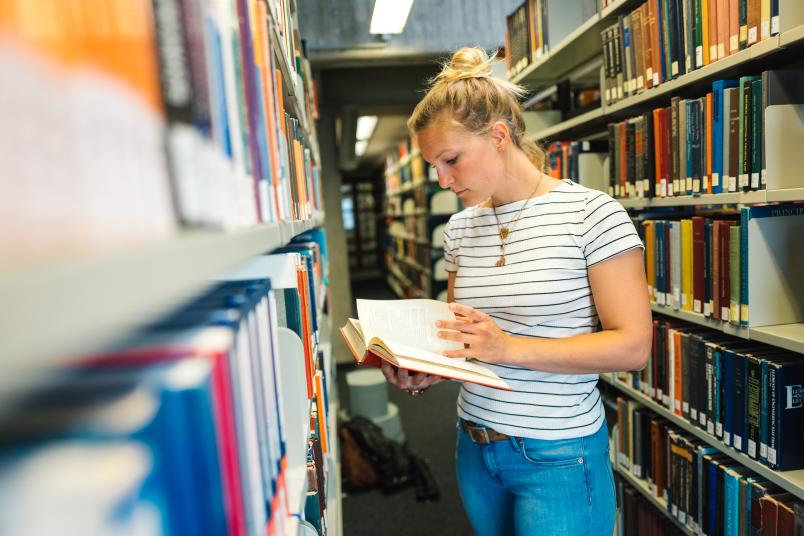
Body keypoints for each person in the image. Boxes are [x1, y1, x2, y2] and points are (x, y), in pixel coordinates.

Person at [380, 47, 652, 536]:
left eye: (451, 159)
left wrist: (507, 347)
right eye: (433, 166)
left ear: (499, 136)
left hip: (558, 452)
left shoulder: (592, 214)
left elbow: (632, 346)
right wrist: (429, 369)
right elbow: (465, 339)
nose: (443, 179)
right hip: (475, 446)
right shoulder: (460, 229)